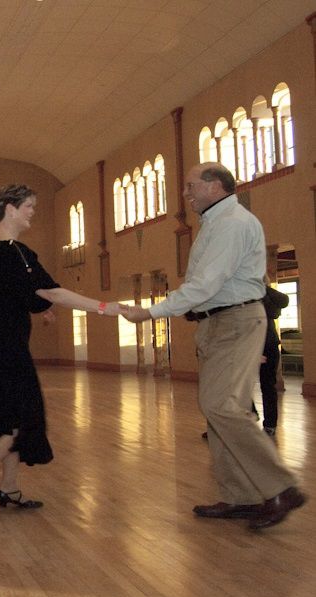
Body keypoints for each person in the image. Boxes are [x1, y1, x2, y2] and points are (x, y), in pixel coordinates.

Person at [123, 162, 305, 530]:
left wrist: (152, 312)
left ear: (215, 186)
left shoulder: (232, 224)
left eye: (191, 186)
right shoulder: (213, 225)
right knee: (221, 406)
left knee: (220, 405)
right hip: (216, 323)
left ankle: (281, 487)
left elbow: (205, 284)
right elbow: (204, 287)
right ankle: (243, 496)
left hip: (237, 320)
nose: (186, 194)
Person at [0, 184, 122, 511]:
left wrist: (37, 305)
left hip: (3, 342)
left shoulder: (6, 251)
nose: (33, 211)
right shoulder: (5, 252)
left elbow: (20, 294)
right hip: (1, 346)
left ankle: (9, 488)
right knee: (20, 417)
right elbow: (52, 292)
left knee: (14, 415)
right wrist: (105, 307)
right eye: (29, 206)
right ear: (10, 209)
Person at [256, 282, 290, 437]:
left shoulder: (262, 293)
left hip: (266, 345)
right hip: (256, 344)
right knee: (240, 384)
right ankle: (253, 418)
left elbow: (283, 301)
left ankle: (269, 424)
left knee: (267, 385)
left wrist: (264, 289)